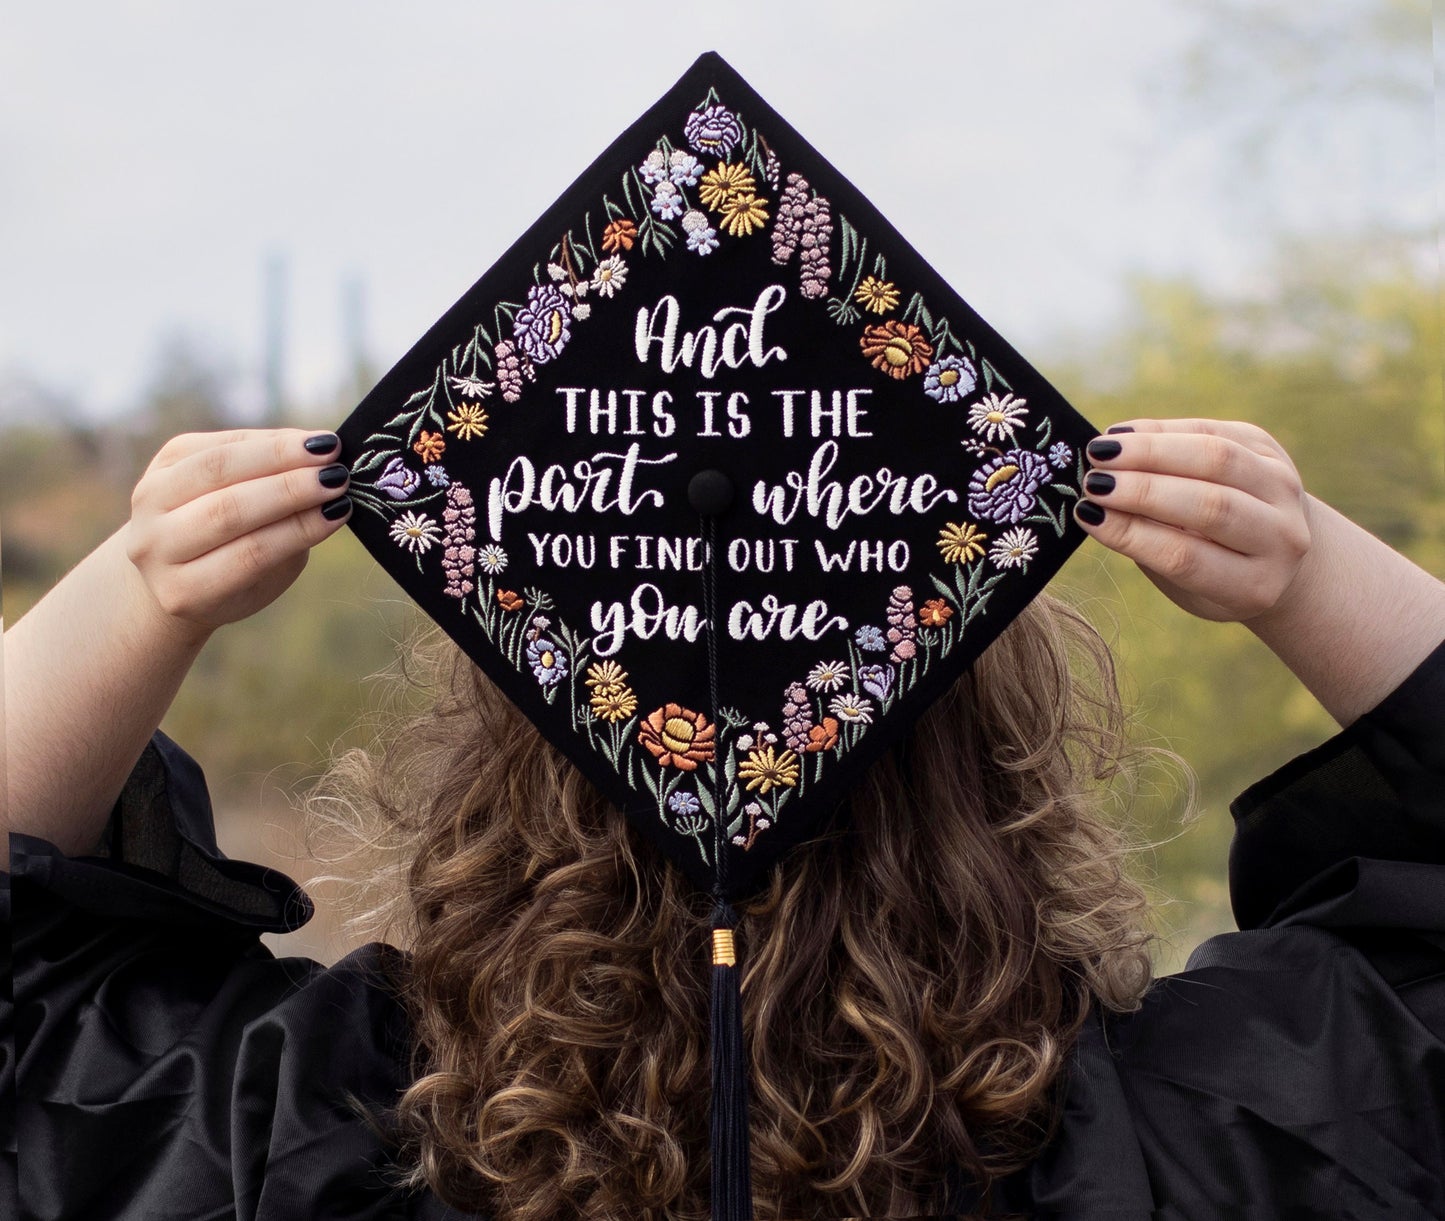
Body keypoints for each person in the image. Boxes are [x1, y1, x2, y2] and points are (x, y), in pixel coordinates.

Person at [7, 416, 1445, 1219]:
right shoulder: (1200, 1141)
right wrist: (1301, 565)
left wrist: (146, 586)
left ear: (503, 771)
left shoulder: (304, 1140)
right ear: (994, 770)